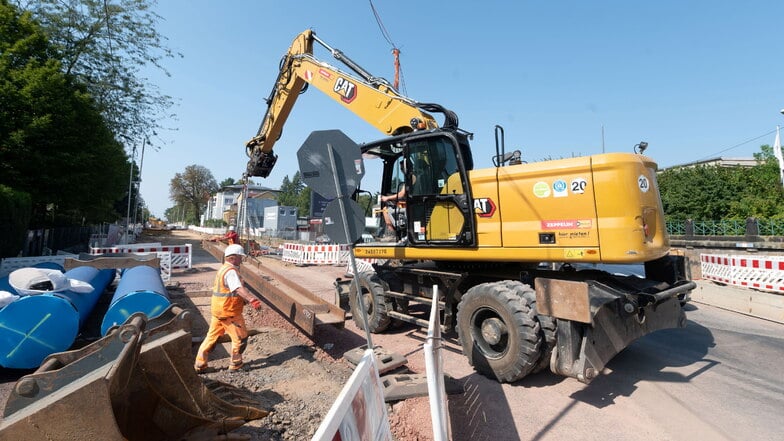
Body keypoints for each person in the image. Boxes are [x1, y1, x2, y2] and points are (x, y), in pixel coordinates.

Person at [194, 244, 262, 373]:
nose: (241, 260)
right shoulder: (231, 272)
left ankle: (200, 364)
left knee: (211, 337)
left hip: (218, 310)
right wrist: (251, 299)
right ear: (232, 258)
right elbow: (237, 288)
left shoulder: (223, 269)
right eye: (239, 257)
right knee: (240, 338)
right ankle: (236, 364)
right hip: (229, 312)